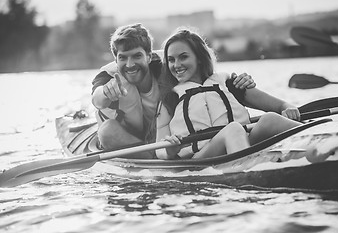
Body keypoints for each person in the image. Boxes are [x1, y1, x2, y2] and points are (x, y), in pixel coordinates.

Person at [91, 23, 256, 158]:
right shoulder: (108, 77)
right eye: (123, 58)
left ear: (149, 57)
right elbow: (97, 99)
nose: (130, 64)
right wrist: (106, 92)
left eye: (137, 56)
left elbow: (206, 81)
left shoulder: (168, 66)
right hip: (133, 141)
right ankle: (155, 161)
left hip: (163, 136)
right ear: (116, 59)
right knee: (106, 131)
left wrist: (238, 82)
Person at [155, 28, 302, 160]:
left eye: (183, 57)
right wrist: (169, 151)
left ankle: (318, 140)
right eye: (171, 60)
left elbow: (280, 105)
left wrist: (289, 108)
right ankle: (248, 171)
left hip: (244, 143)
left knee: (269, 119)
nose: (176, 65)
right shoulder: (170, 99)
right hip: (202, 158)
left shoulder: (229, 84)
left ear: (199, 58)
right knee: (233, 129)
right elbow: (159, 150)